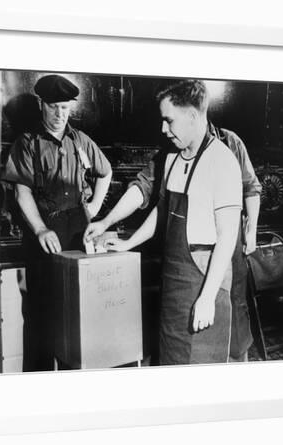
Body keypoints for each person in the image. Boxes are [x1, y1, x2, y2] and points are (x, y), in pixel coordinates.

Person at [85, 91, 261, 363]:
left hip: (206, 274)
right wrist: (127, 241)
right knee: (171, 360)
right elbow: (162, 209)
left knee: (206, 367)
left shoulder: (224, 159)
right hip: (175, 280)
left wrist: (207, 298)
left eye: (169, 121)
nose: (163, 129)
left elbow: (227, 236)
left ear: (192, 116)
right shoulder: (172, 158)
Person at [2, 74, 112, 371]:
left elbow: (106, 172)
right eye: (53, 108)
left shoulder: (81, 141)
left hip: (76, 234)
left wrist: (93, 207)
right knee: (39, 317)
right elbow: (21, 189)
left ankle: (72, 377)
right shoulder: (27, 143)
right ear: (42, 105)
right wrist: (39, 228)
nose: (59, 115)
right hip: (44, 237)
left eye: (64, 108)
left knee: (75, 313)